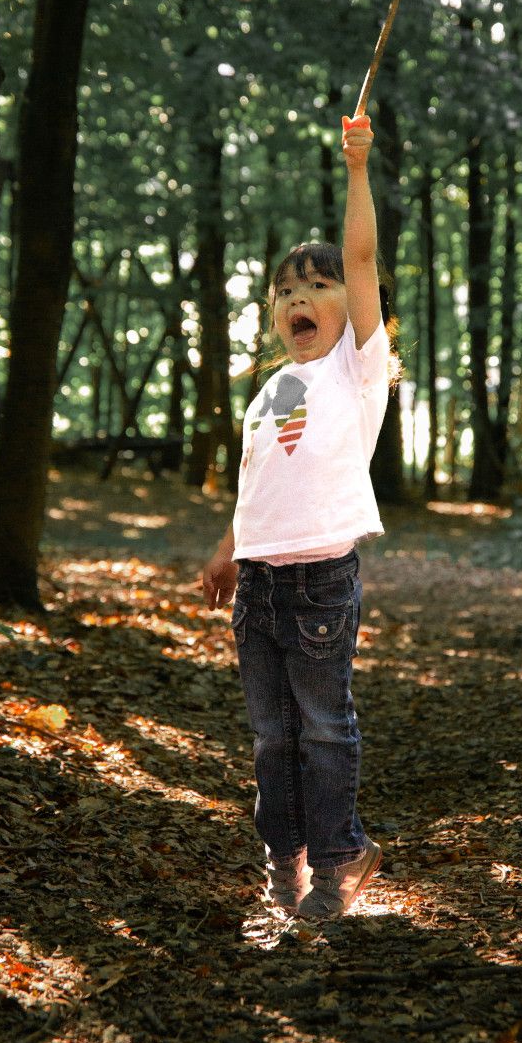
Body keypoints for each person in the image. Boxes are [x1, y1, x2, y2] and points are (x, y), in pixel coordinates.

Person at [201, 113, 390, 922]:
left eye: (315, 285)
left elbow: (362, 254)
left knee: (321, 727)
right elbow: (257, 488)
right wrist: (226, 552)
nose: (298, 298)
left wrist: (356, 167)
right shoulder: (268, 393)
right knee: (271, 739)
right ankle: (286, 861)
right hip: (260, 587)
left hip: (320, 585)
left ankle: (342, 855)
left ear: (352, 304)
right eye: (284, 291)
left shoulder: (356, 369)